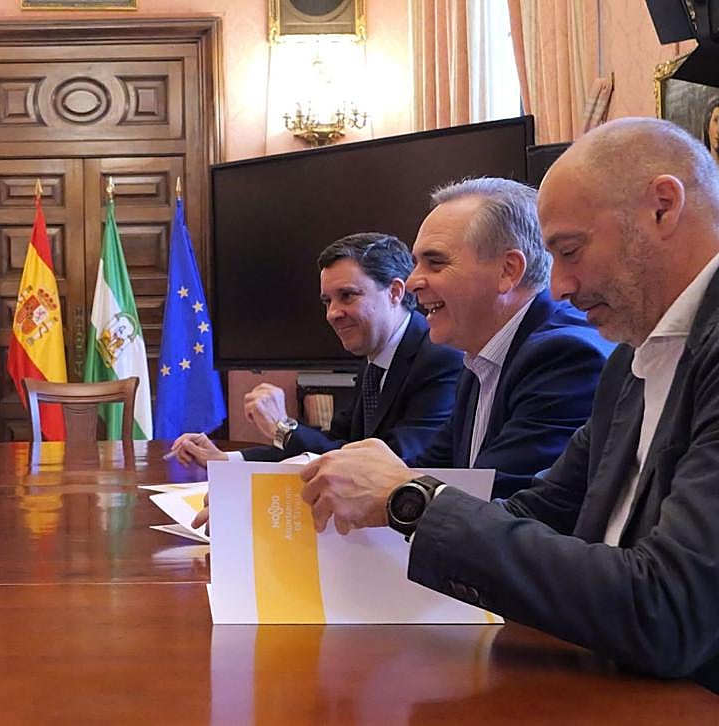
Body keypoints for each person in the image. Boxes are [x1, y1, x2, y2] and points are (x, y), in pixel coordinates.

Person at [300, 118, 719, 690]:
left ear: (662, 208)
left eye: (569, 251)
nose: (560, 287)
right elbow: (538, 511)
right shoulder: (630, 362)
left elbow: (671, 610)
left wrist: (409, 501)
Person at [398, 176, 614, 498]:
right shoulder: (480, 356)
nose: (413, 280)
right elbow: (436, 470)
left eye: (436, 262)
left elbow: (498, 500)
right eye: (416, 263)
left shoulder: (564, 356)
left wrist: (387, 485)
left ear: (508, 271)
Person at [170, 233, 461, 465]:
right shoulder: (374, 359)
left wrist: (283, 428)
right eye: (327, 301)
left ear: (396, 292)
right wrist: (226, 460)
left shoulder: (440, 357)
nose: (332, 314)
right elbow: (334, 446)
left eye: (347, 296)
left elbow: (397, 461)